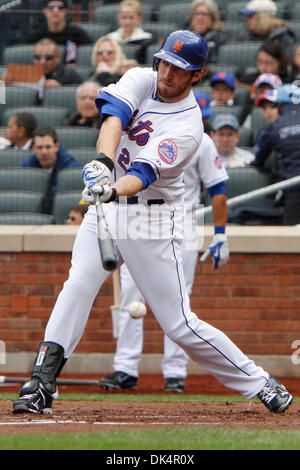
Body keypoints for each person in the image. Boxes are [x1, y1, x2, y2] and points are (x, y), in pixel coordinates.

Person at [12, 30, 293, 416]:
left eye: (179, 69)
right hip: (108, 208)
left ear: (197, 74)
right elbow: (114, 118)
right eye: (164, 62)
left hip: (152, 217)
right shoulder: (143, 78)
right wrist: (103, 165)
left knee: (178, 324)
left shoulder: (189, 127)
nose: (167, 73)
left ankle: (260, 382)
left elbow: (143, 174)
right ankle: (41, 383)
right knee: (77, 284)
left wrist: (111, 189)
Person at [99, 131, 229, 393]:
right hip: (136, 216)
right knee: (130, 294)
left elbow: (217, 187)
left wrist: (220, 234)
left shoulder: (199, 139)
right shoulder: (136, 135)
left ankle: (175, 372)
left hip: (183, 218)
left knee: (179, 298)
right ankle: (125, 368)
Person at [251, 84, 300, 225]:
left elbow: (259, 161)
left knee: (292, 240)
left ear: (278, 104)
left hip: (294, 188)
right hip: (294, 184)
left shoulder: (274, 127)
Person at [19, 126, 80, 212]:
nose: (44, 152)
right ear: (33, 149)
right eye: (40, 147)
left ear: (56, 147)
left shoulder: (70, 167)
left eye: (48, 147)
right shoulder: (27, 166)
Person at [26, 0, 92, 64]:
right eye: (51, 7)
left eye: (60, 7)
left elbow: (90, 55)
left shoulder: (76, 34)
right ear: (44, 10)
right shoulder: (36, 36)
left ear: (66, 10)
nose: (55, 11)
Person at [1, 38, 82, 90]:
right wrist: (3, 85)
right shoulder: (22, 74)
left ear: (58, 58)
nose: (42, 62)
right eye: (38, 57)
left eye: (48, 58)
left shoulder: (70, 75)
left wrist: (60, 90)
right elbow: (3, 101)